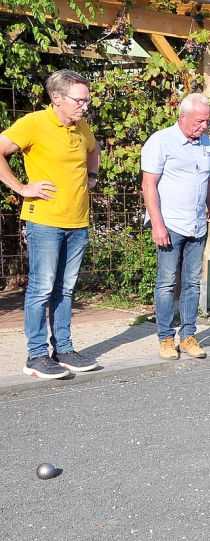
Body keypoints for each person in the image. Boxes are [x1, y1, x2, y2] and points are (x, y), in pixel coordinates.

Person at [0, 70, 100, 379]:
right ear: (56, 98)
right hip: (45, 221)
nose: (85, 106)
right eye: (79, 100)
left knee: (66, 288)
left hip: (78, 220)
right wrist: (22, 188)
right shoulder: (34, 123)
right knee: (41, 289)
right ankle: (36, 356)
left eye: (87, 100)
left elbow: (93, 150)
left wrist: (92, 177)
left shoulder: (81, 126)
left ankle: (64, 350)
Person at [141, 93, 210, 360]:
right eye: (199, 121)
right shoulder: (161, 141)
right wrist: (157, 224)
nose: (204, 126)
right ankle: (165, 338)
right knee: (166, 283)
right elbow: (148, 184)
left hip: (197, 224)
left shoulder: (206, 143)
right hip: (170, 224)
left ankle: (187, 336)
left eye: (207, 121)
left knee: (192, 284)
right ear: (182, 117)